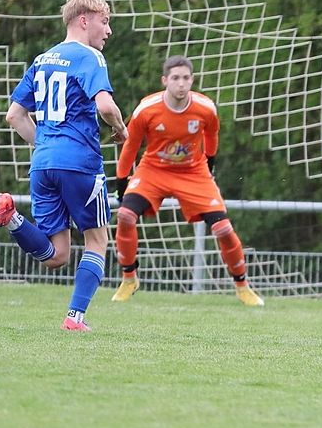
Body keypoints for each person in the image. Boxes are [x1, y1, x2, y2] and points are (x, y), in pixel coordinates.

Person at [0, 0, 129, 332]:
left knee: (56, 256)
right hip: (81, 164)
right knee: (97, 241)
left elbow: (14, 115)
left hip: (42, 164)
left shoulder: (42, 59)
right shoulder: (90, 57)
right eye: (105, 21)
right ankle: (75, 318)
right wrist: (121, 130)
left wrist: (48, 146)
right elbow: (106, 106)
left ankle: (9, 217)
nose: (109, 31)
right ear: (84, 20)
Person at [111, 55, 264, 307]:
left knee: (223, 229)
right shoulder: (146, 110)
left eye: (185, 78)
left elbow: (212, 136)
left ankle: (242, 286)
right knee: (126, 216)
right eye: (175, 78)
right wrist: (121, 182)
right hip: (154, 171)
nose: (181, 83)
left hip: (193, 172)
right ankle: (129, 279)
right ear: (165, 81)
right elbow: (130, 147)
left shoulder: (205, 108)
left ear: (192, 80)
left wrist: (210, 166)